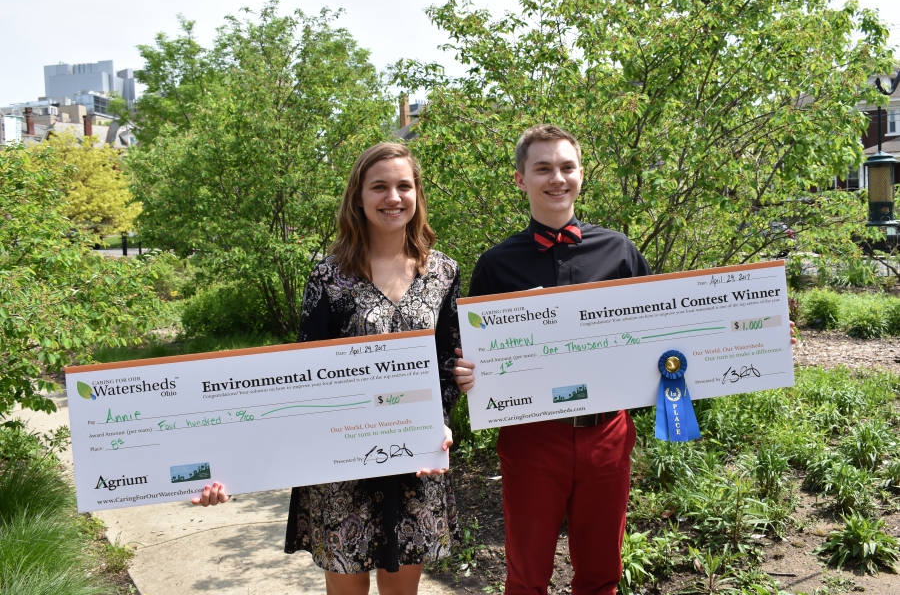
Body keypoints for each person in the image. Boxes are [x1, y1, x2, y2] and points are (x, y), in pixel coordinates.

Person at [453, 124, 796, 595]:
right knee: (526, 578)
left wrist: (761, 333)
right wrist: (469, 373)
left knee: (601, 575)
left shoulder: (619, 250)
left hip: (607, 436)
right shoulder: (495, 264)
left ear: (581, 175)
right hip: (532, 439)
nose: (557, 178)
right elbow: (478, 353)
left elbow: (666, 334)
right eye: (543, 168)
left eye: (567, 167)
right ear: (520, 179)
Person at [194, 142, 462, 595]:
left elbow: (448, 362)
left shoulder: (443, 272)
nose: (392, 197)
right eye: (379, 186)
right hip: (342, 467)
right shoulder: (330, 277)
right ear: (358, 197)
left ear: (418, 194)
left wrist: (437, 424)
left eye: (403, 185)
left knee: (403, 593)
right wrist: (231, 464)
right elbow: (301, 380)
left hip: (415, 461)